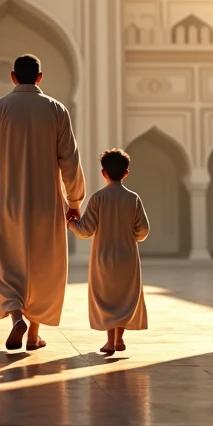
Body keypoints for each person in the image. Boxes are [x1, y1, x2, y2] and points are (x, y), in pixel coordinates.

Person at [0, 53, 85, 351]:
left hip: (6, 200)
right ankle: (34, 334)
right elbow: (70, 160)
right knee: (44, 265)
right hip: (47, 202)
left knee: (7, 262)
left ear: (12, 77)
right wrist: (74, 200)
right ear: (40, 77)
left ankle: (17, 315)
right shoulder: (56, 110)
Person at [68, 147, 150, 354]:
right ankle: (119, 338)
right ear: (126, 173)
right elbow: (143, 230)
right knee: (124, 297)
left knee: (107, 298)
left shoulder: (97, 198)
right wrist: (133, 237)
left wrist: (70, 223)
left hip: (103, 257)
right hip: (128, 257)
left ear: (103, 173)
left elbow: (85, 230)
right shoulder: (133, 198)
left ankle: (110, 341)